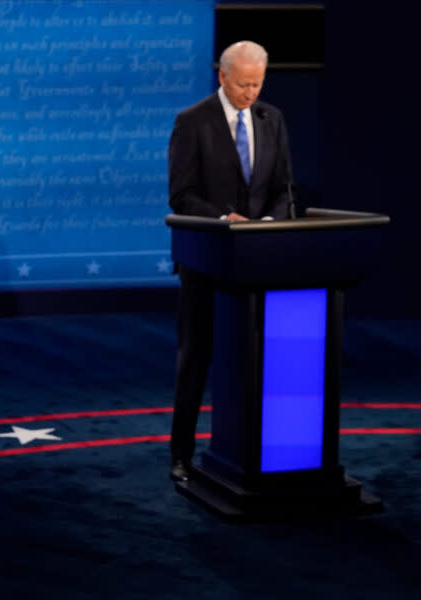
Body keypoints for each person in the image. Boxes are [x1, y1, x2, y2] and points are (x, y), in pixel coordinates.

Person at [166, 41, 294, 482]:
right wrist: (225, 220)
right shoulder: (192, 122)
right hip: (207, 261)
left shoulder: (271, 119)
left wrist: (271, 224)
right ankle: (181, 455)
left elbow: (283, 189)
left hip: (260, 264)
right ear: (222, 76)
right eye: (242, 84)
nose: (250, 93)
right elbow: (181, 196)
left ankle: (253, 454)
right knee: (196, 358)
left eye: (257, 84)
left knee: (258, 360)